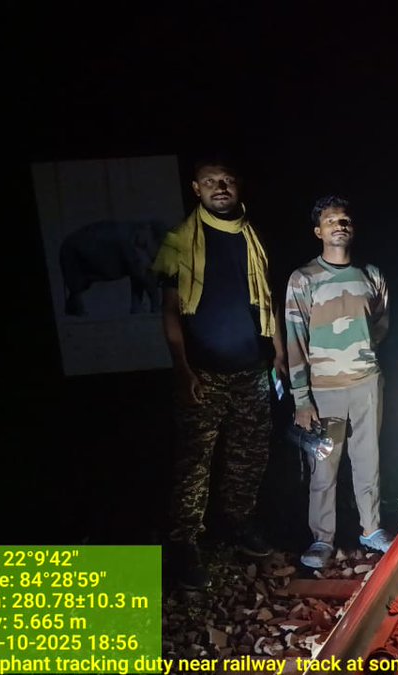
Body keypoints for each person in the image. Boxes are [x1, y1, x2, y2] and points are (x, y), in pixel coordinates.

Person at [152, 158, 283, 589]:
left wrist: (278, 355)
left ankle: (238, 526)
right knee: (195, 463)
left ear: (238, 185)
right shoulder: (178, 242)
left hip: (250, 369)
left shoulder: (253, 236)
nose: (220, 187)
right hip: (203, 372)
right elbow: (170, 311)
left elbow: (269, 301)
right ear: (196, 188)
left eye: (227, 180)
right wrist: (181, 368)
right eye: (210, 182)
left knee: (249, 456)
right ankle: (185, 543)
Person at [285, 196, 391, 569]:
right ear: (318, 231)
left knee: (368, 461)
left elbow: (379, 326)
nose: (339, 225)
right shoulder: (303, 279)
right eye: (331, 221)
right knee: (324, 467)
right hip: (323, 390)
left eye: (345, 220)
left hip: (366, 383)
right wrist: (301, 399)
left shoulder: (371, 275)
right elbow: (294, 341)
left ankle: (371, 528)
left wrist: (360, 358)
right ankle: (322, 539)